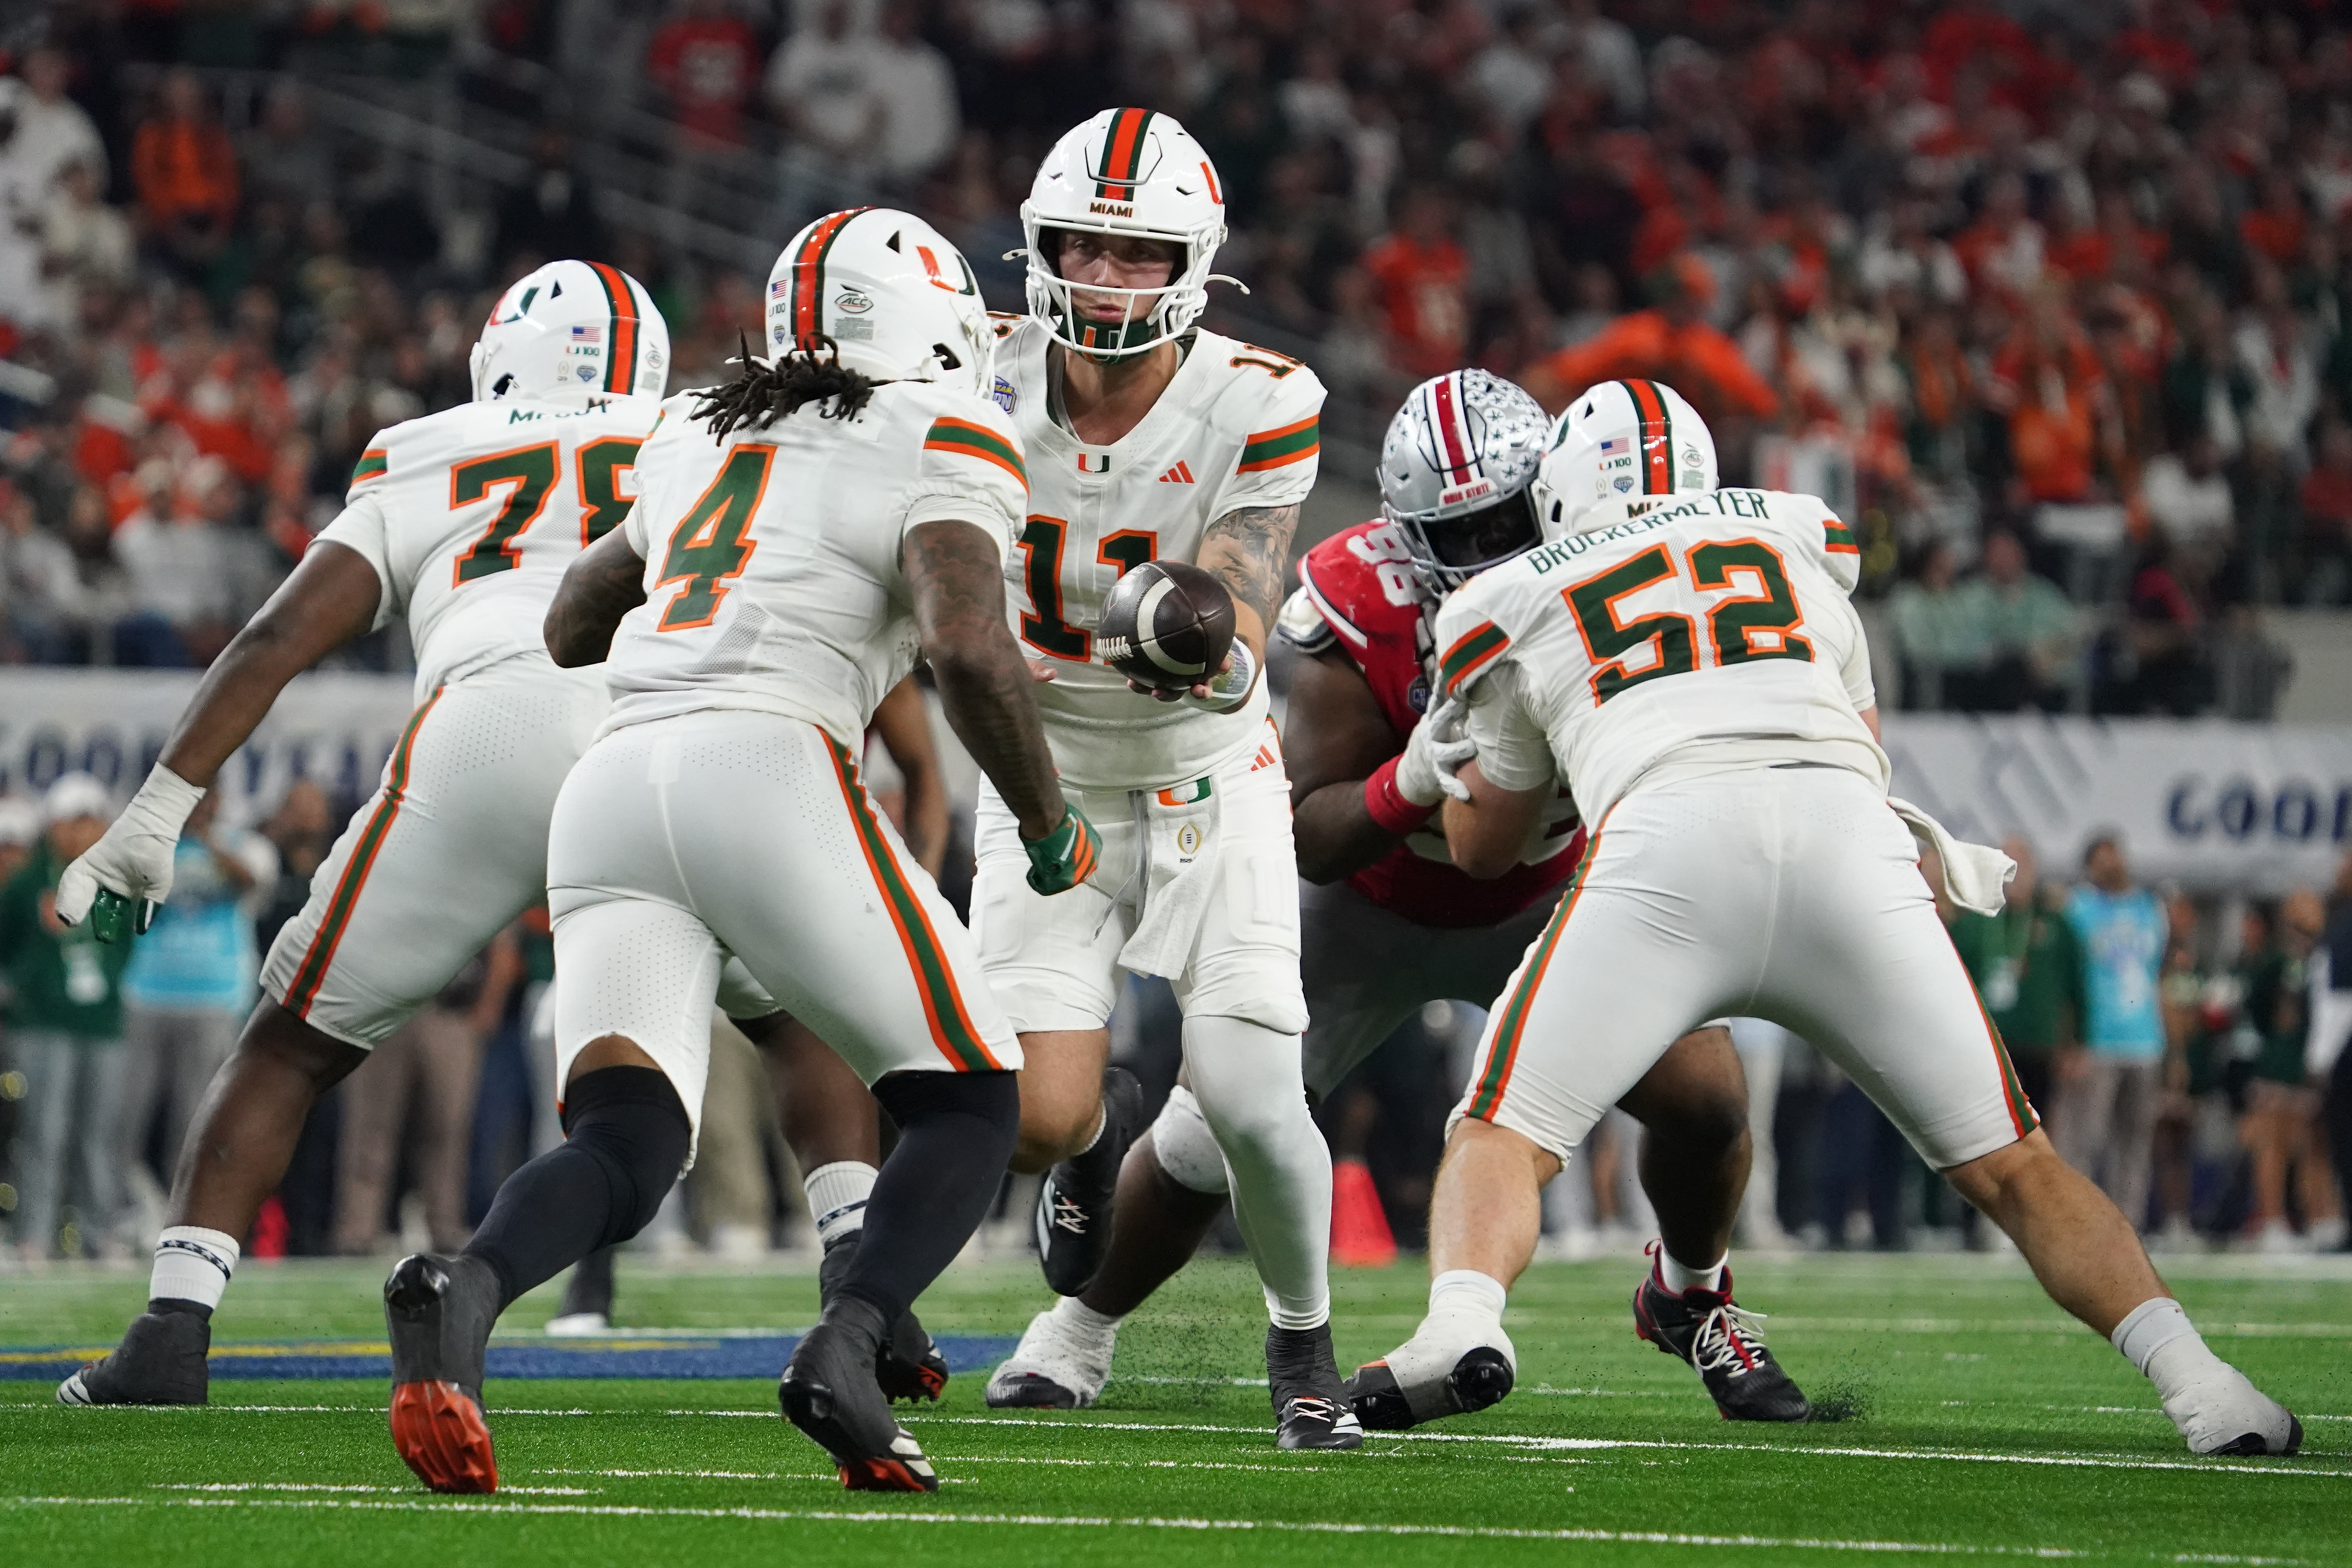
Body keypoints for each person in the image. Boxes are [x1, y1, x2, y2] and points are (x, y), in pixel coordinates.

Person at [1362, 379, 2300, 1458]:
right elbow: (1862, 741)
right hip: (1848, 846)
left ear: (1561, 495)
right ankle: (2207, 1386)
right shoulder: (1800, 546)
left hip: (1668, 852)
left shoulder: (1521, 592)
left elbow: (1488, 850)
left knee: (1504, 1131)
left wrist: (1447, 772)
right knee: (2017, 1164)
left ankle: (1461, 1327)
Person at [380, 208, 1088, 1495]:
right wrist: (1047, 825)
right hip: (766, 761)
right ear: (924, 319)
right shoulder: (942, 427)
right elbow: (968, 644)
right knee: (972, 1096)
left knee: (630, 1139)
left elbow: (572, 621)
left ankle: (467, 1280)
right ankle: (850, 1340)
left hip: (611, 785)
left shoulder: (696, 426)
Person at [988, 373, 1807, 1429]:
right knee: (1206, 1132)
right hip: (1374, 909)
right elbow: (1311, 835)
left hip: (1554, 895)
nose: (1483, 554)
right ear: (1403, 529)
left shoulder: (1611, 574)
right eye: (1453, 531)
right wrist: (1406, 784)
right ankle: (1074, 1328)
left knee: (1708, 1103)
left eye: (1506, 522)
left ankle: (1693, 1296)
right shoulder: (1359, 599)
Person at [53, 259, 673, 1407]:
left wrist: (157, 811)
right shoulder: (706, 435)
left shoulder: (425, 445)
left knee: (289, 1044)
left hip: (487, 724)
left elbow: (278, 637)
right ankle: (862, 1292)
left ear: (498, 354)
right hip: (665, 739)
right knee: (782, 1029)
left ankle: (175, 1329)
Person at [943, 108, 1348, 1450]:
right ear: (1039, 245)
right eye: (1085, 247)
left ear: (1193, 261)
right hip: (1039, 776)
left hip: (1200, 775)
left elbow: (1243, 581)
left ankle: (1302, 1342)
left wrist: (1193, 623)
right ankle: (1094, 1142)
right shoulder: (964, 369)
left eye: (1139, 252)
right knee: (1032, 1114)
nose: (1107, 277)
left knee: (1244, 1092)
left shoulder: (1258, 395)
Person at [115, 791, 278, 1222]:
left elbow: (252, 882)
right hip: (146, 994)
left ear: (220, 801)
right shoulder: (148, 843)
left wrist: (208, 840)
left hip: (213, 997)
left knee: (196, 1122)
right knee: (125, 1116)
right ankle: (120, 1216)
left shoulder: (244, 845)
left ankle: (184, 1217)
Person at [1, 774, 132, 1260]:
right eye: (75, 822)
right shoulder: (29, 881)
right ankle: (33, 1235)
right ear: (54, 825)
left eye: (93, 821)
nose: (84, 832)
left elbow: (124, 941)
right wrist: (24, 985)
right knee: (43, 1131)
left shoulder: (116, 882)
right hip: (42, 1022)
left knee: (100, 1135)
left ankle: (98, 1234)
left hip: (101, 1022)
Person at [2056, 835, 2171, 1231]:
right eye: (2102, 860)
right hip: (2097, 1041)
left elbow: (2159, 976)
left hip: (2144, 1040)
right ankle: (2078, 1223)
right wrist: (2070, 1042)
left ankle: (2127, 1227)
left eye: (2115, 857)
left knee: (2135, 1143)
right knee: (2084, 1140)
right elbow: (2067, 982)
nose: (2111, 866)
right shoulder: (2078, 909)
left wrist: (2171, 1045)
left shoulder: (2150, 908)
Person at [1949, 834, 2084, 1115]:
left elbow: (2077, 986)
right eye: (2007, 865)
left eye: (2021, 864)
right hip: (1988, 1048)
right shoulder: (1975, 923)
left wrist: (2076, 1045)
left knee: (2040, 1126)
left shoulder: (2055, 923)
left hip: (2039, 1047)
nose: (2015, 875)